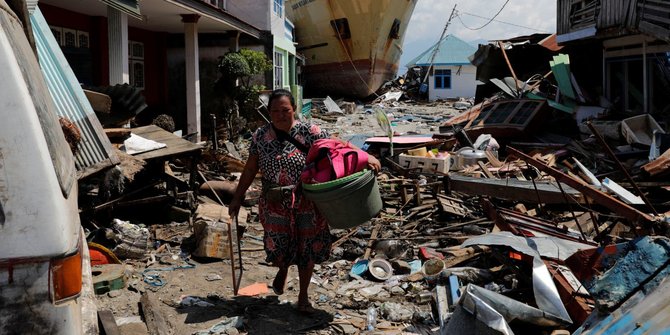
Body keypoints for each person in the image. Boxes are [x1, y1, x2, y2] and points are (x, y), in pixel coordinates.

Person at [228, 89, 380, 313]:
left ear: (294, 109)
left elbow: (336, 145)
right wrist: (237, 198)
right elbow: (251, 168)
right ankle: (283, 268)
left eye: (285, 110)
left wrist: (367, 156)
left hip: (307, 203)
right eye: (275, 111)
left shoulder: (309, 131)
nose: (281, 115)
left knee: (307, 249)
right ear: (269, 112)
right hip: (274, 204)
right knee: (278, 246)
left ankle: (303, 297)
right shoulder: (260, 136)